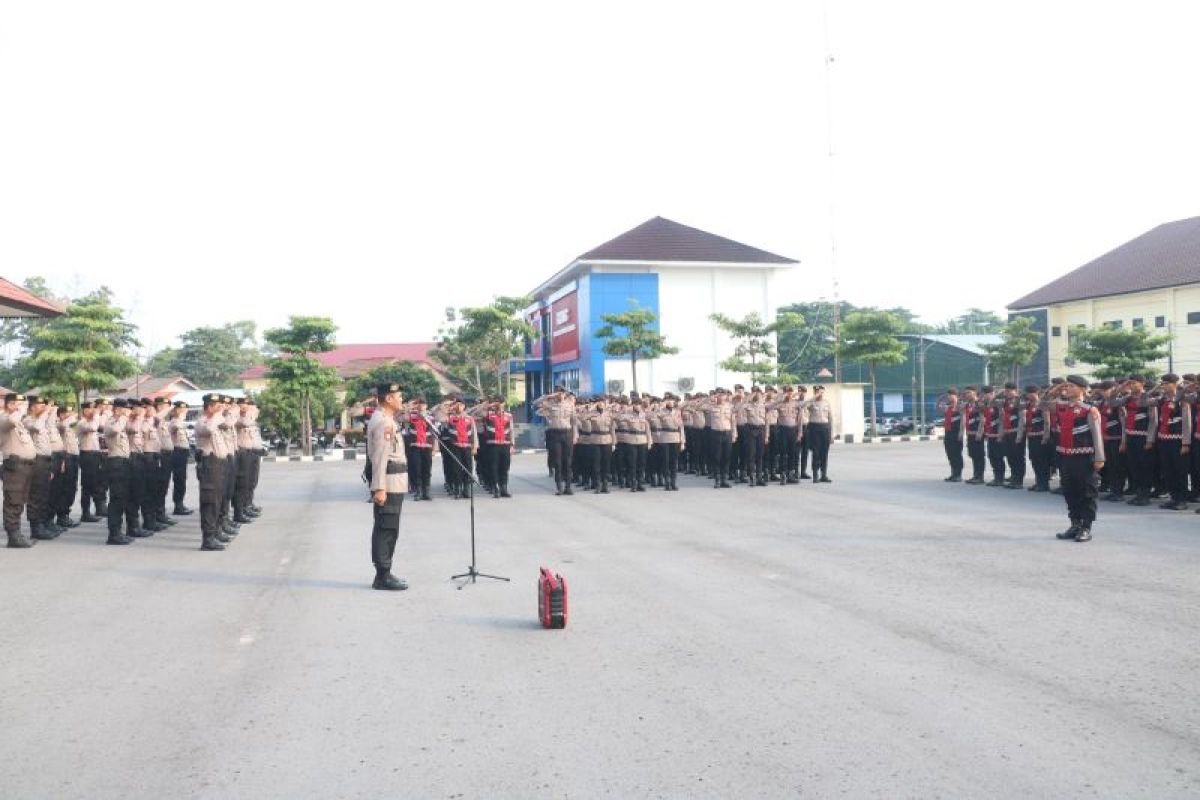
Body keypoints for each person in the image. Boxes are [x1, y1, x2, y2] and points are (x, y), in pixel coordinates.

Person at [1052, 375, 1105, 542]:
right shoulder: (1062, 407)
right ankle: (1074, 524)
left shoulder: (1089, 410)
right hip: (1066, 456)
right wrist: (1056, 390)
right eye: (1066, 386)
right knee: (1069, 491)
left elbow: (1097, 436)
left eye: (1071, 386)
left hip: (1084, 456)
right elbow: (1044, 403)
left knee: (1087, 493)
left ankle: (1086, 527)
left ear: (1082, 389)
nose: (1067, 389)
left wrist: (1099, 458)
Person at [367, 383, 408, 590]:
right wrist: (379, 487)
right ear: (389, 399)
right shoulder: (385, 423)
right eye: (399, 396)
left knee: (389, 528)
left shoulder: (385, 419)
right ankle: (383, 575)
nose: (402, 399)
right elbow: (380, 457)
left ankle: (384, 573)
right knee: (387, 529)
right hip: (389, 484)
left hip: (395, 482)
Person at [194, 393, 231, 551]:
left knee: (218, 500)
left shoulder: (215, 421)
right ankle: (207, 539)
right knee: (210, 501)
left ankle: (215, 532)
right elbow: (209, 428)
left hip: (218, 464)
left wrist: (223, 414)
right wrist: (217, 415)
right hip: (209, 465)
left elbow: (227, 425)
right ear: (209, 407)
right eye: (216, 406)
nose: (220, 409)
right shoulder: (202, 422)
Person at [1, 393, 37, 548]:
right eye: (19, 404)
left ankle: (17, 533)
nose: (23, 408)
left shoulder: (18, 422)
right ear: (10, 405)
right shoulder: (4, 418)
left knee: (20, 500)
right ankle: (13, 536)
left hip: (25, 466)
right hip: (14, 466)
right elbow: (11, 420)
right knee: (13, 500)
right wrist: (20, 411)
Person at [102, 399, 137, 545]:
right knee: (116, 499)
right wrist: (122, 417)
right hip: (116, 463)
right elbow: (115, 430)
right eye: (124, 410)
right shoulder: (111, 423)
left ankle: (119, 532)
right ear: (117, 410)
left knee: (123, 498)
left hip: (124, 462)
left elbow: (134, 430)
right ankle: (113, 534)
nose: (126, 413)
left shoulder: (122, 423)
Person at [1154, 374, 1191, 511]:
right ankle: (1173, 497)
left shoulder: (1183, 400)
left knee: (1179, 470)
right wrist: (1155, 388)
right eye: (1162, 384)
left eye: (1166, 383)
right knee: (1168, 470)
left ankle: (1182, 499)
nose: (1163, 386)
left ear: (1174, 384)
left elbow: (1186, 422)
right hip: (1164, 439)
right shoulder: (1162, 399)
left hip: (1178, 439)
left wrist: (1185, 443)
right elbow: (1144, 400)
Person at [25, 395, 57, 539]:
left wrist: (50, 413)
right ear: (32, 407)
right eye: (41, 406)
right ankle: (35, 527)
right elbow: (37, 426)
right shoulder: (28, 420)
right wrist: (45, 413)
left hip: (46, 461)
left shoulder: (42, 421)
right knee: (36, 495)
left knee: (45, 494)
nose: (44, 408)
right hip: (36, 461)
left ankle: (43, 524)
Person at [537, 386, 577, 495]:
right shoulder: (550, 404)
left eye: (562, 393)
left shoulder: (570, 404)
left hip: (567, 433)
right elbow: (536, 403)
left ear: (565, 394)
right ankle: (559, 486)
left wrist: (575, 435)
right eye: (558, 392)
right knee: (558, 462)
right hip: (555, 434)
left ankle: (568, 487)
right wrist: (550, 396)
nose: (560, 395)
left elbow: (574, 421)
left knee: (568, 462)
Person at [402, 395, 438, 501]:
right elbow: (405, 419)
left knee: (427, 469)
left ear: (426, 405)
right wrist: (409, 408)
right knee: (417, 469)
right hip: (415, 446)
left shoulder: (430, 417)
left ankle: (426, 491)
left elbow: (434, 433)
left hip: (427, 446)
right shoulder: (412, 416)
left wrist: (435, 448)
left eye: (423, 404)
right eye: (418, 404)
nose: (421, 406)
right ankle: (418, 491)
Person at [76, 401, 106, 522]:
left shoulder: (93, 421)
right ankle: (85, 512)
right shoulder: (82, 423)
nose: (92, 411)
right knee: (87, 485)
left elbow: (102, 426)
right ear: (83, 411)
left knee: (95, 483)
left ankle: (95, 509)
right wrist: (97, 415)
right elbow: (94, 427)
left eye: (93, 409)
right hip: (87, 455)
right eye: (89, 409)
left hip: (95, 454)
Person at [481, 396, 515, 498]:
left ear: (504, 404)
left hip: (505, 444)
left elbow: (511, 430)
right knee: (493, 467)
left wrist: (512, 444)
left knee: (504, 467)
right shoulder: (489, 415)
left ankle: (503, 488)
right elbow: (478, 412)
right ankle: (495, 488)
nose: (499, 405)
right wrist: (489, 405)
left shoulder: (508, 415)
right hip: (493, 445)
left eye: (500, 402)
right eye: (497, 402)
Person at [54, 404, 81, 529]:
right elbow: (63, 426)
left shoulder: (70, 426)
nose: (69, 415)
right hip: (65, 458)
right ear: (60, 415)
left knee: (71, 488)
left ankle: (65, 514)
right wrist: (69, 419)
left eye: (70, 413)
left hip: (74, 458)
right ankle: (61, 516)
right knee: (63, 488)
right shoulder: (59, 424)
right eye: (65, 413)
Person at [167, 400, 194, 515]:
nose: (183, 412)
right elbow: (174, 427)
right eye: (180, 409)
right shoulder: (174, 422)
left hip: (183, 453)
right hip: (176, 452)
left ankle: (180, 504)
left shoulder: (180, 422)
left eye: (184, 410)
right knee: (178, 479)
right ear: (174, 410)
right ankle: (178, 505)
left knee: (182, 479)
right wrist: (180, 417)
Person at [806, 385, 833, 483]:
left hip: (825, 428)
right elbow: (804, 405)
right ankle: (815, 475)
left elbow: (830, 418)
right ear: (814, 392)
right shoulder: (811, 402)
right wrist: (814, 397)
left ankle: (824, 474)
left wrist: (831, 433)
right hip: (814, 428)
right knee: (816, 452)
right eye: (817, 392)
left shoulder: (827, 403)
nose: (819, 394)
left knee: (824, 452)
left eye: (821, 392)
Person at [961, 387, 987, 484]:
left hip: (977, 434)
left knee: (979, 455)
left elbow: (982, 419)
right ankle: (975, 475)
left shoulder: (979, 404)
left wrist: (980, 432)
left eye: (969, 392)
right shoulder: (967, 405)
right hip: (970, 434)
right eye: (966, 393)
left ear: (975, 393)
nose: (967, 394)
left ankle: (980, 476)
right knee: (973, 455)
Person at [940, 388, 964, 482]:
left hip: (956, 433)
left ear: (956, 396)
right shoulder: (948, 407)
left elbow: (963, 420)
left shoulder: (960, 406)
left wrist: (961, 432)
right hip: (948, 433)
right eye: (948, 395)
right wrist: (940, 400)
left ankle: (958, 474)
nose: (949, 397)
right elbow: (939, 409)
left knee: (957, 454)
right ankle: (953, 473)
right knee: (950, 454)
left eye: (951, 395)